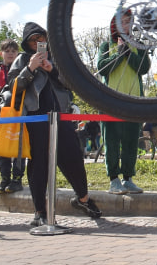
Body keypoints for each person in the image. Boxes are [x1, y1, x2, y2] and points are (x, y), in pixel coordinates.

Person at [8, 21, 101, 225]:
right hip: (36, 119)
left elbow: (72, 84)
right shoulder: (22, 60)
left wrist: (51, 70)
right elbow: (13, 88)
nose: (37, 43)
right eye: (33, 40)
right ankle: (40, 212)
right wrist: (30, 68)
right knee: (39, 164)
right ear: (26, 43)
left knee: (73, 157)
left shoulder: (57, 59)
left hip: (61, 117)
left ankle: (83, 198)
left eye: (40, 38)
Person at [98, 12, 153, 195]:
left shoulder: (139, 45)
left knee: (130, 142)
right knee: (111, 142)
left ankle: (128, 179)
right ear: (115, 23)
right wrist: (119, 54)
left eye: (129, 21)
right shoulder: (107, 45)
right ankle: (113, 179)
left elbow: (143, 68)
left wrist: (129, 52)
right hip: (110, 102)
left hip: (133, 102)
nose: (126, 24)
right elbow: (102, 68)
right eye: (123, 21)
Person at [0, 38, 24, 193]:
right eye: (7, 51)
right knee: (2, 148)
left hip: (19, 113)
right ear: (1, 53)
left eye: (13, 51)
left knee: (19, 146)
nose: (10, 54)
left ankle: (17, 179)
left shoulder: (23, 68)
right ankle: (4, 179)